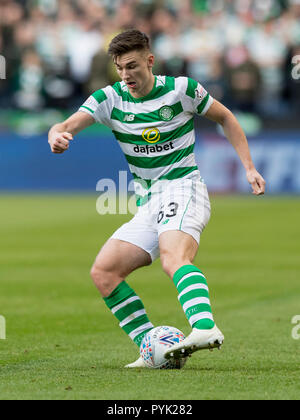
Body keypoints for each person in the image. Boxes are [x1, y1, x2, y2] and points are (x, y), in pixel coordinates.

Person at [48, 29, 266, 368]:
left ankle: (205, 326)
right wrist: (58, 135)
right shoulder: (109, 98)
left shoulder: (182, 90)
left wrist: (249, 167)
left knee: (173, 258)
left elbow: (225, 117)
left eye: (132, 66)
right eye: (119, 68)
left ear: (150, 61)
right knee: (104, 272)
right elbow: (66, 124)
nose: (125, 75)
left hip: (184, 188)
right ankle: (154, 349)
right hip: (149, 202)